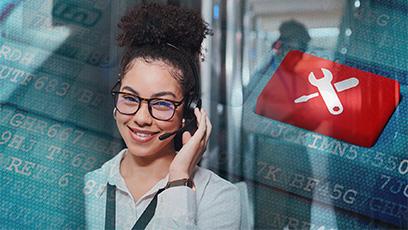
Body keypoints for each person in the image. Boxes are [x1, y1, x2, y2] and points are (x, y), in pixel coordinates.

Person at [83, 3, 241, 229]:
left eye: (161, 104)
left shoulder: (218, 196)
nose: (141, 118)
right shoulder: (87, 185)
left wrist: (179, 179)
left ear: (187, 111)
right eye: (130, 98)